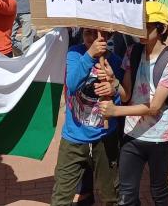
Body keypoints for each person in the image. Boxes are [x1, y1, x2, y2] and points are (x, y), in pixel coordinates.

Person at [100, 2, 168, 206]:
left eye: (147, 25)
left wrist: (116, 111)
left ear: (161, 28)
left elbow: (154, 107)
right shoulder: (132, 52)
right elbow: (126, 94)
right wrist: (113, 81)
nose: (140, 30)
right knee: (126, 194)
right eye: (139, 24)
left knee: (158, 191)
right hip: (132, 134)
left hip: (159, 137)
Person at [51, 28, 123, 206]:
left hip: (104, 138)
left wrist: (113, 89)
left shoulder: (114, 61)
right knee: (61, 195)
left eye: (98, 34)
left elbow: (122, 100)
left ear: (107, 36)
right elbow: (72, 84)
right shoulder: (75, 54)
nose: (92, 38)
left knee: (110, 194)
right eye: (87, 33)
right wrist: (90, 54)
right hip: (74, 137)